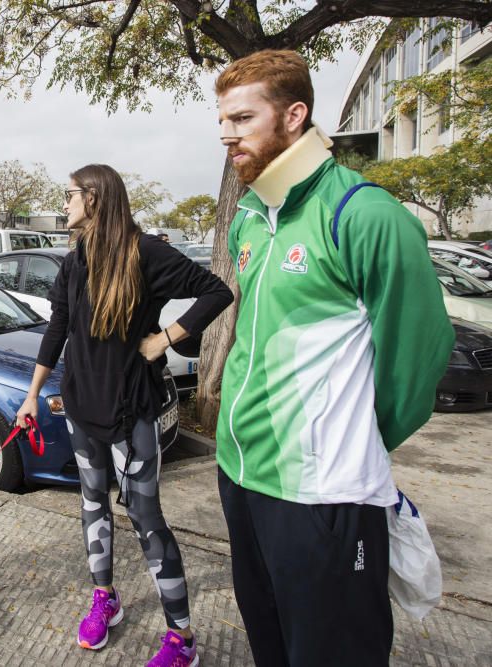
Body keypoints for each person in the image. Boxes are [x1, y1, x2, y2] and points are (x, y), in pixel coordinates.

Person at [214, 50, 454, 666]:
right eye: (222, 122)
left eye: (242, 119)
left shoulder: (366, 214)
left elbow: (418, 359)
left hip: (322, 493)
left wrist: (347, 442)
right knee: (270, 643)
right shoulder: (248, 217)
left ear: (295, 116)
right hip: (240, 475)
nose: (227, 134)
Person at [16, 164, 233, 667]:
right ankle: (105, 598)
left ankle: (181, 637)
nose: (64, 203)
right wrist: (33, 394)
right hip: (80, 406)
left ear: (94, 198)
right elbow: (58, 329)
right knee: (92, 504)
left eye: (69, 194)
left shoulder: (146, 252)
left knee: (145, 518)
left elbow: (217, 291)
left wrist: (164, 339)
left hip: (131, 409)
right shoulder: (75, 260)